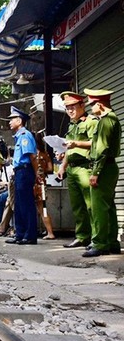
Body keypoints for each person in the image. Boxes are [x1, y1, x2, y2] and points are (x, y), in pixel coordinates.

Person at [82, 89, 121, 257]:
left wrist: (95, 172)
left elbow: (102, 149)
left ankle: (100, 243)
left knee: (98, 207)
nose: (90, 109)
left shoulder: (105, 121)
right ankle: (112, 242)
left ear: (99, 104)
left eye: (91, 105)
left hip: (103, 168)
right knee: (109, 206)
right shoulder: (112, 119)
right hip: (110, 167)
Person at [56, 92, 98, 249]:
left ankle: (96, 238)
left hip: (85, 168)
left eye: (73, 106)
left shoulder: (91, 122)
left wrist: (76, 144)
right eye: (67, 108)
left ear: (82, 106)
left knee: (91, 205)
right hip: (72, 169)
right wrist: (62, 166)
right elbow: (69, 148)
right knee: (77, 206)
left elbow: (95, 143)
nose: (70, 110)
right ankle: (82, 236)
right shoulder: (72, 125)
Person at [6, 106, 38, 245]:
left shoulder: (25, 136)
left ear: (19, 121)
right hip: (19, 172)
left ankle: (30, 235)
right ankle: (20, 233)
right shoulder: (19, 136)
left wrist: (37, 174)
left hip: (25, 171)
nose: (9, 122)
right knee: (18, 204)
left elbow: (32, 156)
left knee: (26, 204)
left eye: (12, 119)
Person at [34, 132, 56, 240]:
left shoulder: (30, 153)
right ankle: (50, 232)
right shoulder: (45, 154)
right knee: (43, 209)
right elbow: (50, 168)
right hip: (41, 183)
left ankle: (30, 230)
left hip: (30, 182)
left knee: (27, 208)